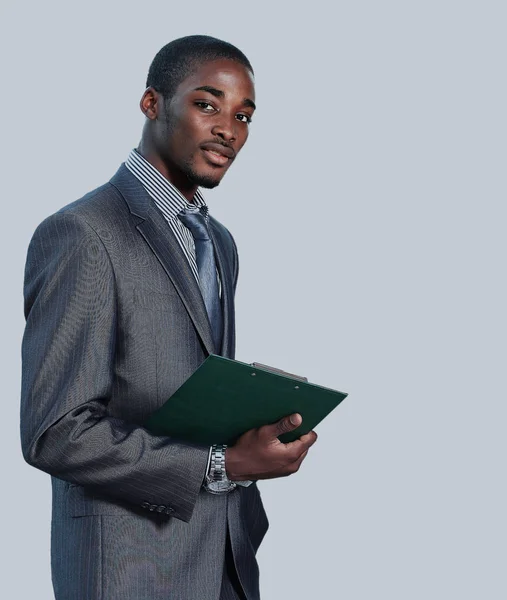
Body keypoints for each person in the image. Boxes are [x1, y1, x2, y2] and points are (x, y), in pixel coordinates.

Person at [20, 35, 318, 600]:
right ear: (152, 104)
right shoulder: (83, 233)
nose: (229, 130)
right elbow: (54, 433)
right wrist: (221, 462)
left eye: (244, 115)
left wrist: (253, 411)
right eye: (207, 104)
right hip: (129, 566)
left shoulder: (219, 242)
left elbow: (180, 377)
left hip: (226, 554)